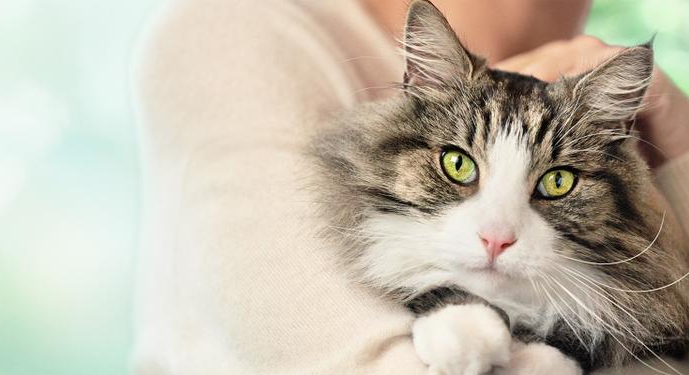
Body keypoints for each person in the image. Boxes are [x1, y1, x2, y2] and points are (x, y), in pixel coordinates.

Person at [131, 0, 689, 373]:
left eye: (558, 181)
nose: (497, 235)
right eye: (459, 168)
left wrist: (682, 149)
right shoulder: (239, 30)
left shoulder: (612, 95)